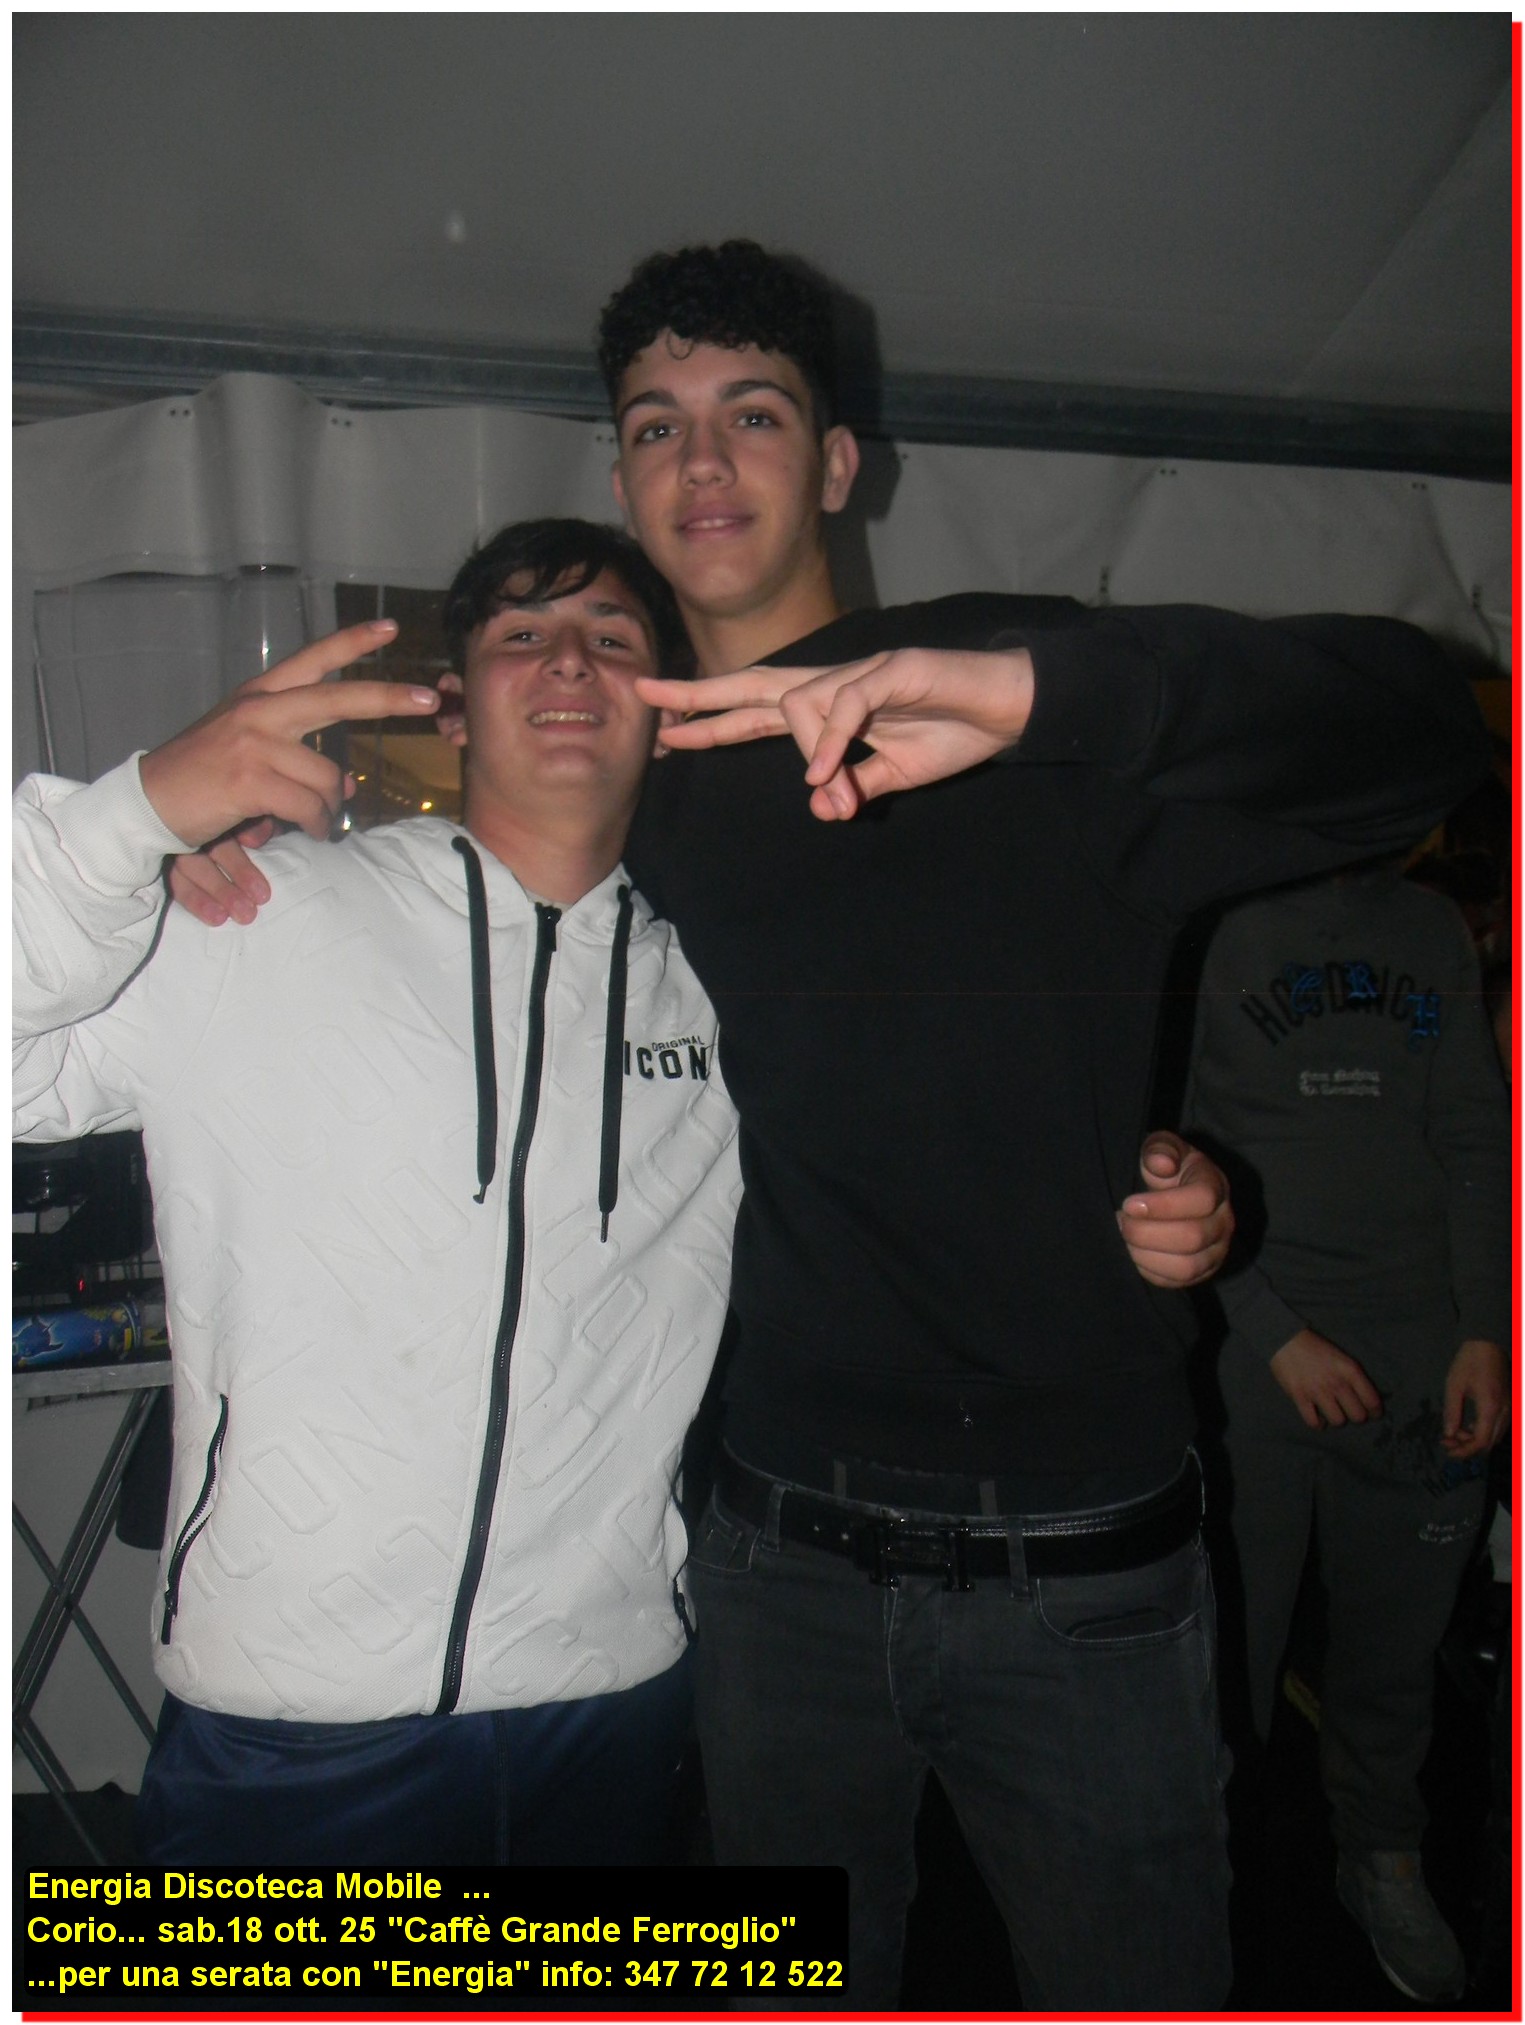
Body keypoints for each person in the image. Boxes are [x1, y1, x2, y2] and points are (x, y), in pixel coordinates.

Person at [167, 240, 1485, 2005]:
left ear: (840, 463)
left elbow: (1426, 733)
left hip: (1079, 1564)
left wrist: (1038, 696)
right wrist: (183, 859)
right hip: (770, 1566)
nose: (704, 462)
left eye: (755, 416)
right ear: (624, 474)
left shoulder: (1013, 692)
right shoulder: (636, 804)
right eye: (659, 426)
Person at [13, 519, 743, 1867]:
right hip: (290, 1728)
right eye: (522, 633)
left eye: (612, 635)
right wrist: (135, 818)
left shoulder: (726, 983)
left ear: (666, 708)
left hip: (616, 1708)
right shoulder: (254, 917)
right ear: (453, 708)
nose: (569, 660)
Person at [1181, 861, 1509, 2001]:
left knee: (1394, 1656)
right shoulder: (1210, 917)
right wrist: (1274, 1334)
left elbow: (1475, 1135)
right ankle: (1203, 1875)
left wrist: (1486, 1329)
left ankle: (1383, 1856)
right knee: (1225, 1662)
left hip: (1421, 1366)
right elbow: (1162, 1148)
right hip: (1252, 1366)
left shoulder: (1427, 926)